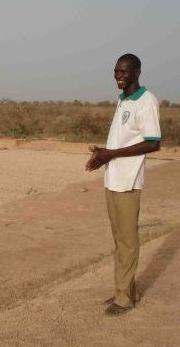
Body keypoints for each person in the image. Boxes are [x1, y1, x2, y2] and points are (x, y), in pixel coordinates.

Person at [85, 53, 161, 316]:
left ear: (138, 72)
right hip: (113, 179)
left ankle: (124, 298)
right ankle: (126, 290)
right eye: (116, 71)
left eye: (124, 72)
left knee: (127, 241)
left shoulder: (146, 101)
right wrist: (104, 153)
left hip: (128, 181)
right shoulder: (123, 100)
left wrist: (112, 154)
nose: (118, 76)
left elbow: (153, 142)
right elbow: (123, 142)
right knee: (120, 239)